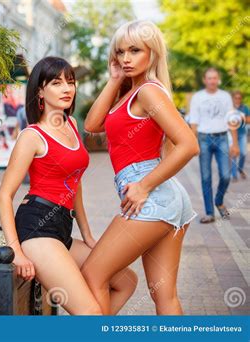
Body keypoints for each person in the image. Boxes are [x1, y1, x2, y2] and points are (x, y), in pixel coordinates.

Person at [0, 56, 137, 315]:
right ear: (40, 90)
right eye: (56, 83)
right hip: (37, 229)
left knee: (127, 282)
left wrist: (87, 235)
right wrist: (16, 251)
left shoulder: (72, 125)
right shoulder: (32, 136)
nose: (67, 89)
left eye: (70, 82)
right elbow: (4, 196)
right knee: (90, 313)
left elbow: (75, 184)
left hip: (62, 228)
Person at [83, 20, 199, 315]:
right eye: (120, 52)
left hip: (152, 195)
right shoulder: (130, 91)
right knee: (165, 296)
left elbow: (188, 144)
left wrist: (144, 186)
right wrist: (113, 79)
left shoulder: (148, 91)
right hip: (166, 199)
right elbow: (92, 124)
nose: (125, 58)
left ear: (153, 52)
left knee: (94, 275)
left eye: (135, 50)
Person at [189, 68, 240, 223]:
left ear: (218, 80)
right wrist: (194, 143)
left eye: (215, 78)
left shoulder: (225, 97)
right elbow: (194, 123)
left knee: (225, 175)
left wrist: (235, 144)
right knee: (206, 177)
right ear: (205, 80)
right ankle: (209, 212)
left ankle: (219, 201)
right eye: (209, 78)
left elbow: (232, 120)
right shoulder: (198, 97)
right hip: (204, 139)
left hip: (222, 138)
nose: (212, 81)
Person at [230, 90, 249, 181]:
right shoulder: (230, 108)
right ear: (233, 98)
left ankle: (240, 169)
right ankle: (234, 175)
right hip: (231, 134)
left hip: (242, 134)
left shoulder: (244, 108)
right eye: (236, 98)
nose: (238, 99)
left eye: (239, 98)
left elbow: (249, 120)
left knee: (243, 153)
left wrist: (241, 117)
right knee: (234, 154)